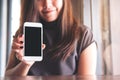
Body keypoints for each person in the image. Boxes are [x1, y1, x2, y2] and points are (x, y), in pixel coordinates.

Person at [5, 0, 97, 76]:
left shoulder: (83, 35)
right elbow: (7, 76)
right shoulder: (23, 33)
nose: (47, 4)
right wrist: (25, 64)